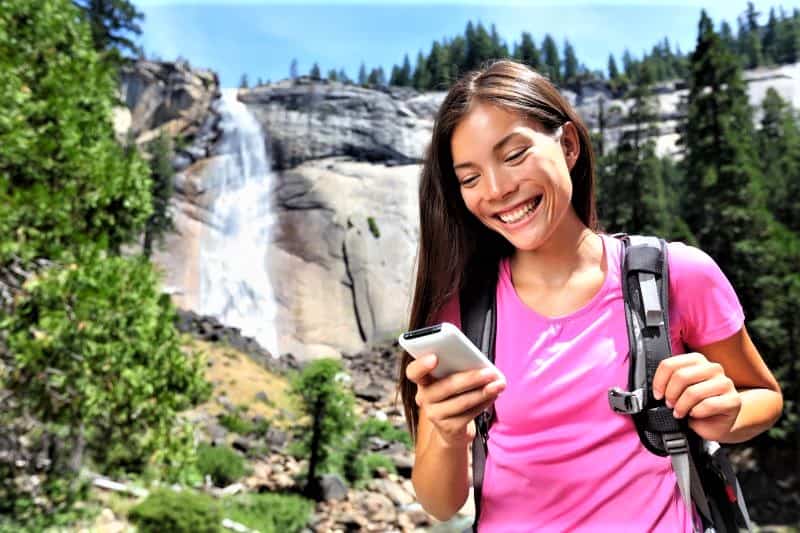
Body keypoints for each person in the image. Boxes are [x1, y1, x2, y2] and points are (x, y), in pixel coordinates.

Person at [398, 59, 783, 532]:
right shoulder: (461, 314)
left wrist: (728, 414)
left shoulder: (676, 274)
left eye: (515, 155)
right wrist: (444, 430)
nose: (497, 190)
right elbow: (441, 505)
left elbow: (763, 396)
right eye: (470, 177)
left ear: (569, 144)